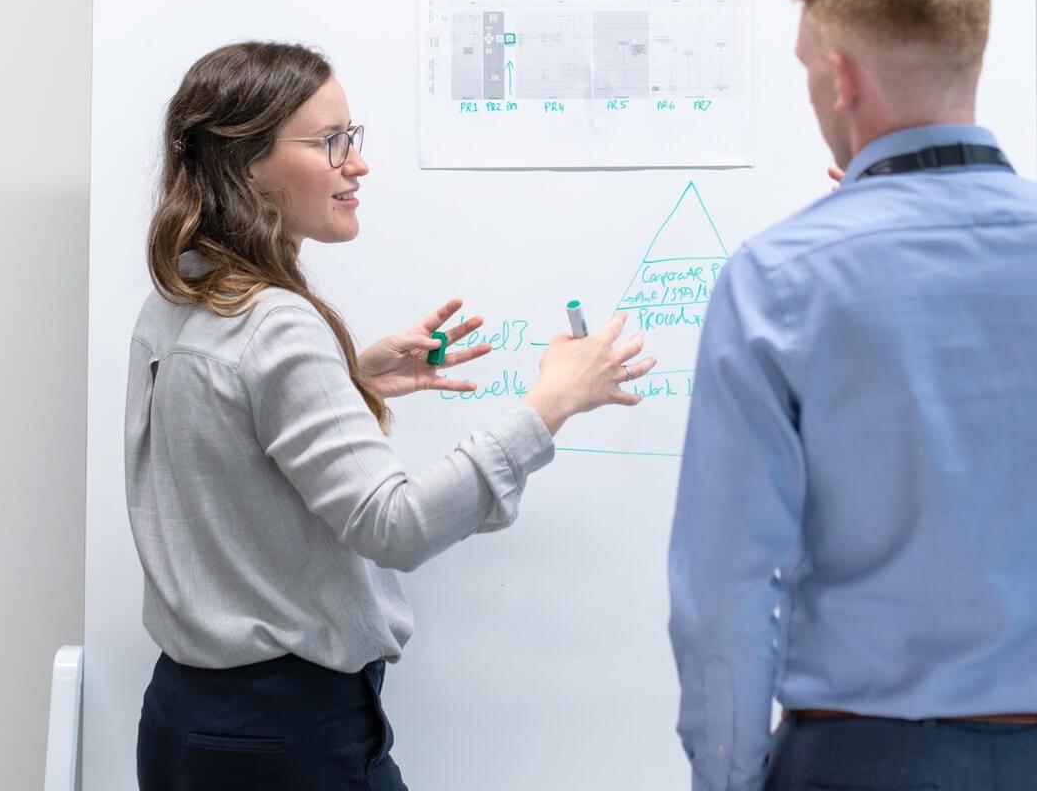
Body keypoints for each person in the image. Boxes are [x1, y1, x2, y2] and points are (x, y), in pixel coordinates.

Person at [667, 0, 1037, 791]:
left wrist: (726, 779)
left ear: (843, 79)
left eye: (808, 72)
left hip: (865, 761)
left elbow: (727, 592)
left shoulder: (780, 279)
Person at [126, 41, 656, 790]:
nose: (357, 163)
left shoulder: (185, 293)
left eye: (353, 136)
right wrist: (551, 405)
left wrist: (349, 378)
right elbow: (395, 526)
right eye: (328, 142)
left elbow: (221, 440)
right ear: (247, 166)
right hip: (287, 738)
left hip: (189, 722)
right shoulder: (276, 324)